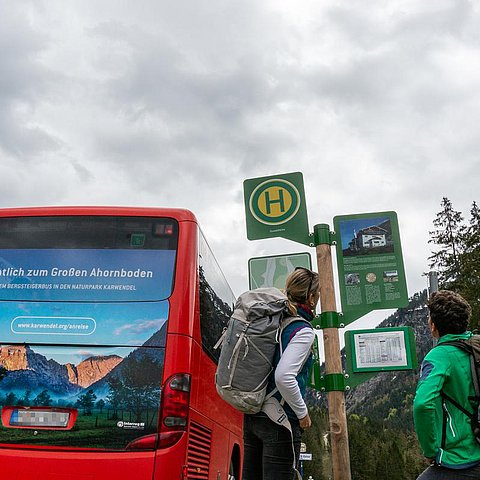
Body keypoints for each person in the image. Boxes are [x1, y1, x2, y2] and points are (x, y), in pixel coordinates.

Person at [243, 267, 320, 480]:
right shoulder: (301, 330)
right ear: (311, 298)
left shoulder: (271, 320)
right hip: (280, 420)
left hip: (253, 415)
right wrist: (302, 413)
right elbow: (284, 377)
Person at [413, 290, 480, 479]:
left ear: (433, 326)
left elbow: (423, 403)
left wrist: (431, 450)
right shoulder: (478, 346)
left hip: (460, 457)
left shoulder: (439, 356)